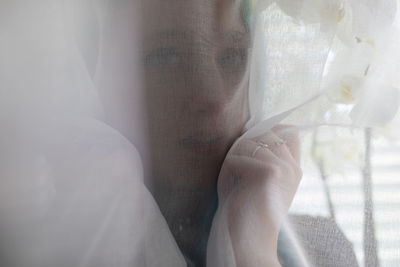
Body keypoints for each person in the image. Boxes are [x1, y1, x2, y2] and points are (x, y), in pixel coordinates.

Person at [96, 0, 302, 266]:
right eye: (165, 56)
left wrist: (252, 239)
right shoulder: (57, 241)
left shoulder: (321, 247)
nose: (215, 99)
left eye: (234, 55)